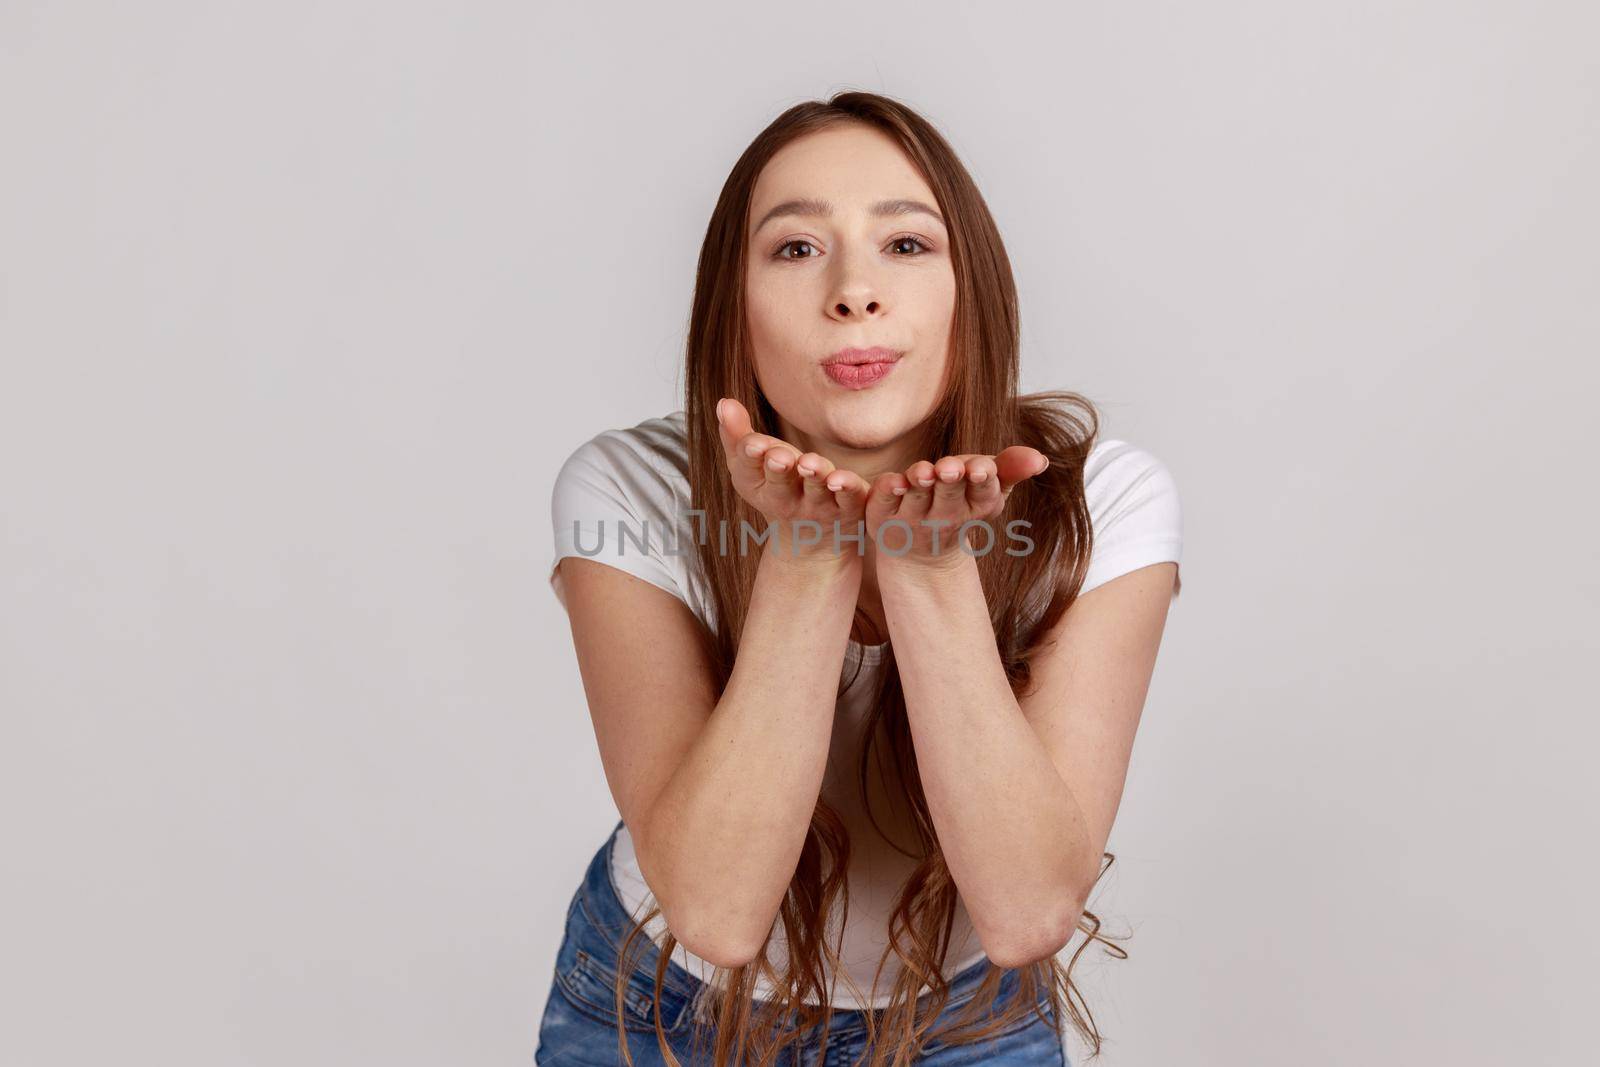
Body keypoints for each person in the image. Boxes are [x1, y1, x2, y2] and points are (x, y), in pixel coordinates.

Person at [536, 91, 1183, 1067]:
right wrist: (804, 555)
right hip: (664, 1004)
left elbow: (1026, 911)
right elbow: (713, 908)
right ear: (733, 306)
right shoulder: (631, 486)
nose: (852, 290)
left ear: (975, 290)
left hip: (966, 1018)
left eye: (907, 246)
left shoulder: (1100, 496)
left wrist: (926, 571)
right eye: (795, 248)